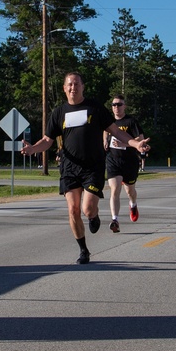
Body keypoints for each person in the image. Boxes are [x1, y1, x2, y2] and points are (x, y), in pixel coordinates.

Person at [21, 72, 150, 265]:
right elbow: (48, 140)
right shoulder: (58, 113)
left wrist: (135, 144)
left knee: (87, 209)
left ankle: (94, 216)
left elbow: (115, 132)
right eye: (69, 85)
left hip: (93, 167)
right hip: (69, 167)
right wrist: (33, 149)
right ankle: (83, 250)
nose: (73, 87)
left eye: (76, 84)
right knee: (73, 210)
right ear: (65, 88)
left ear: (83, 86)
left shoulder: (95, 108)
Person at [104, 95, 147, 233]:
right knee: (115, 189)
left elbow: (140, 139)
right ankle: (114, 220)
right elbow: (105, 131)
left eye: (119, 104)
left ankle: (133, 204)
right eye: (114, 104)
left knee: (130, 191)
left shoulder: (131, 121)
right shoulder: (108, 122)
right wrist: (105, 141)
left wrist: (123, 143)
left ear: (124, 106)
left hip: (129, 161)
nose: (116, 107)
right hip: (112, 160)